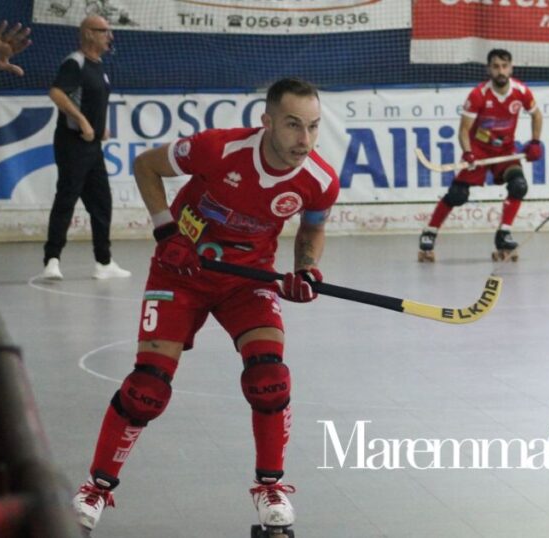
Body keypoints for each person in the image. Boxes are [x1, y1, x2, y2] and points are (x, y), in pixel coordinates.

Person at [71, 77, 340, 534]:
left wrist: (306, 271)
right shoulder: (217, 149)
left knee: (269, 378)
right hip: (181, 272)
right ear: (267, 121)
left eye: (313, 127)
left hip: (246, 283)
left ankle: (270, 487)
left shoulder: (319, 180)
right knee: (146, 389)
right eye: (294, 125)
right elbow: (145, 166)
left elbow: (312, 230)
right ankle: (96, 488)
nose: (304, 139)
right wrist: (166, 232)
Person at [417, 48, 543, 262]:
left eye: (504, 66)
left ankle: (504, 233)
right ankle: (430, 232)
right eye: (496, 66)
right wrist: (467, 153)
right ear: (488, 69)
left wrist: (535, 141)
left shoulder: (521, 91)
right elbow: (464, 130)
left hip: (506, 150)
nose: (500, 71)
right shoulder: (478, 95)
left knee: (518, 185)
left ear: (511, 68)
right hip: (479, 150)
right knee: (458, 195)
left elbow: (537, 115)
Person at [42, 15, 130, 280]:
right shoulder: (75, 62)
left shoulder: (99, 66)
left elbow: (92, 100)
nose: (109, 36)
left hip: (93, 147)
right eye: (104, 31)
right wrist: (82, 121)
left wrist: (99, 126)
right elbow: (57, 93)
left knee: (102, 202)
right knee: (67, 198)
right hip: (72, 143)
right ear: (89, 33)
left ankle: (103, 262)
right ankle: (52, 260)